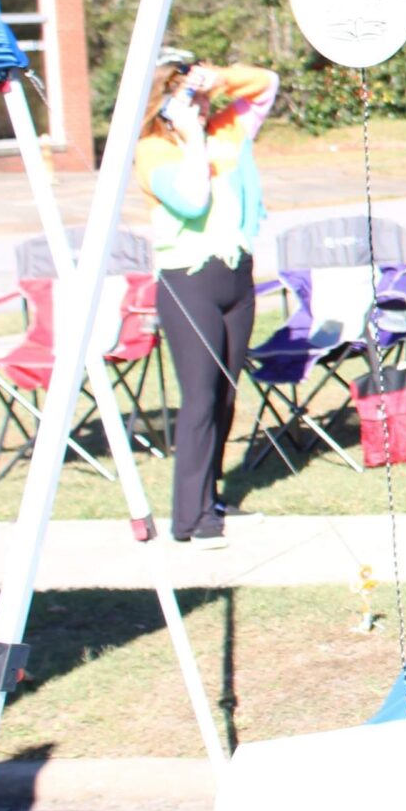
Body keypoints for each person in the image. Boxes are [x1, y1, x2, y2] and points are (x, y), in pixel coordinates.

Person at [135, 55, 278, 544]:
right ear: (165, 102)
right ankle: (190, 519)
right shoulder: (152, 153)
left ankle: (211, 498)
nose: (200, 104)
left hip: (235, 276)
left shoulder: (225, 131)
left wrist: (218, 79)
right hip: (187, 282)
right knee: (200, 398)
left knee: (226, 394)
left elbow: (265, 85)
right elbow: (193, 200)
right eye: (187, 96)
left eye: (201, 96)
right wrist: (190, 135)